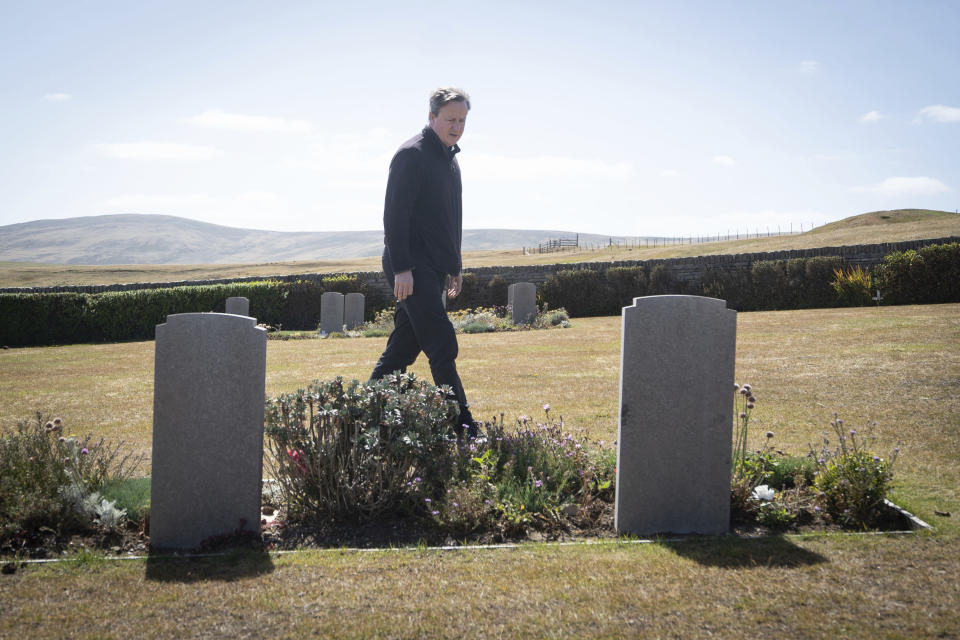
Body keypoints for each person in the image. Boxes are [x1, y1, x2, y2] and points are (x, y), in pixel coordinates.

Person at [369, 87, 477, 438]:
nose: (457, 126)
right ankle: (464, 427)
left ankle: (363, 412)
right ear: (432, 118)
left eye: (462, 120)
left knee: (402, 347)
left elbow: (452, 219)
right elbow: (394, 216)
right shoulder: (411, 155)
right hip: (411, 269)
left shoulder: (450, 160)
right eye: (450, 119)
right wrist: (402, 268)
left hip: (435, 268)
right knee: (442, 344)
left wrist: (455, 265)